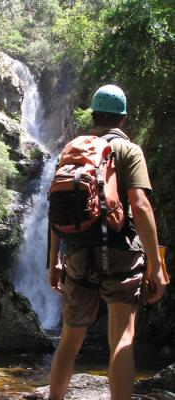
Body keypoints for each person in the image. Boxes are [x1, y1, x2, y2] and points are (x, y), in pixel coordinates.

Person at [48, 84, 168, 400]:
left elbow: (55, 209)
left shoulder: (72, 149)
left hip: (76, 253)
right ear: (124, 119)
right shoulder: (129, 151)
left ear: (94, 115)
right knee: (123, 338)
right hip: (121, 251)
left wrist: (53, 261)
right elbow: (140, 205)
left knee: (70, 339)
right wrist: (156, 266)